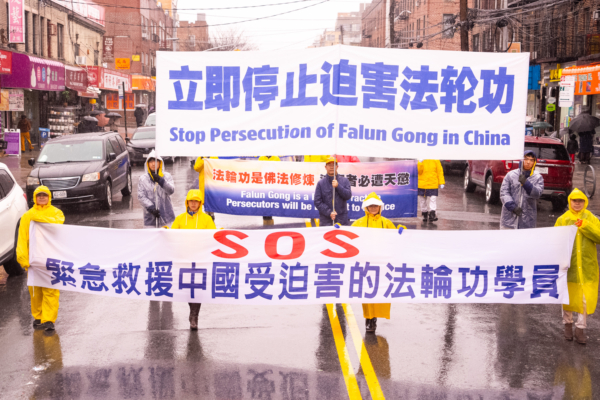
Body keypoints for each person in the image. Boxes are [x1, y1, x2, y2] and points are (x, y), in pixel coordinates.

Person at [352, 192, 404, 333]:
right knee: (368, 292)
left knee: (381, 290)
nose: (373, 208)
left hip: (382, 263)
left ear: (380, 207)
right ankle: (369, 318)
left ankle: (375, 317)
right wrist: (339, 228)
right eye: (371, 206)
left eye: (376, 205)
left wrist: (402, 230)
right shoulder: (359, 223)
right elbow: (349, 235)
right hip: (366, 263)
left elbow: (396, 237)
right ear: (366, 207)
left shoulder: (386, 222)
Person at [554, 188, 600, 344]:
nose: (577, 203)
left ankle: (580, 328)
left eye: (581, 201)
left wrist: (585, 226)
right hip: (569, 268)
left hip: (587, 268)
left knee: (584, 300)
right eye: (575, 200)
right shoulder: (563, 219)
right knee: (567, 298)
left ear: (585, 202)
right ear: (570, 201)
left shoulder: (591, 218)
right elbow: (555, 241)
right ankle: (568, 325)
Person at [16, 186, 65, 331]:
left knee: (51, 290)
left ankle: (48, 320)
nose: (42, 197)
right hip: (34, 259)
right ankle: (38, 316)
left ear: (49, 197)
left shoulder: (56, 213)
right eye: (39, 195)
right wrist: (23, 258)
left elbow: (57, 224)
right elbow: (22, 238)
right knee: (35, 291)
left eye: (44, 195)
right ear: (35, 198)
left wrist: (38, 218)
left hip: (51, 258)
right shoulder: (27, 216)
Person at [171, 189, 216, 330]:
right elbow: (172, 235)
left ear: (200, 203)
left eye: (196, 201)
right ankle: (192, 312)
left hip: (201, 259)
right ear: (187, 202)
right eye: (191, 201)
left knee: (197, 288)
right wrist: (164, 232)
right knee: (187, 288)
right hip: (184, 259)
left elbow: (213, 236)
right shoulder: (180, 219)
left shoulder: (207, 219)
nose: (193, 203)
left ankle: (194, 316)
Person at [500, 150, 544, 229]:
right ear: (521, 160)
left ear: (534, 163)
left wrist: (526, 183)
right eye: (526, 159)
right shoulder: (511, 175)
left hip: (527, 221)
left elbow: (537, 194)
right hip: (509, 220)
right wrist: (512, 206)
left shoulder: (538, 177)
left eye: (531, 160)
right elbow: (504, 192)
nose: (528, 162)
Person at [138, 150, 175, 228]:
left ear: (160, 162)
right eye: (151, 161)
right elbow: (141, 196)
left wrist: (162, 181)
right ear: (147, 163)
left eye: (155, 161)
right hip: (150, 218)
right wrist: (151, 207)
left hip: (166, 217)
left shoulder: (167, 176)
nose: (153, 164)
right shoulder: (143, 179)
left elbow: (171, 191)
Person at [314, 156, 352, 226]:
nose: (331, 167)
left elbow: (348, 195)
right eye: (329, 165)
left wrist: (338, 186)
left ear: (337, 167)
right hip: (325, 221)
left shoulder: (344, 181)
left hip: (341, 221)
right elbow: (317, 202)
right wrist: (329, 212)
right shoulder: (321, 183)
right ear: (326, 167)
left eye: (333, 165)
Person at [193, 156, 218, 220]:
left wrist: (209, 159)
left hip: (212, 183)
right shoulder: (200, 157)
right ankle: (206, 214)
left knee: (211, 199)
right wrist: (203, 160)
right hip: (203, 183)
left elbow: (217, 165)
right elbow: (196, 168)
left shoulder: (214, 156)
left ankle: (212, 215)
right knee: (205, 200)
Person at [258, 156, 280, 224]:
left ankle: (270, 218)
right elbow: (258, 169)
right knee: (264, 201)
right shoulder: (261, 158)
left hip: (272, 183)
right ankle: (265, 219)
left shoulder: (276, 158)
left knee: (270, 201)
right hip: (263, 183)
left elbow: (279, 169)